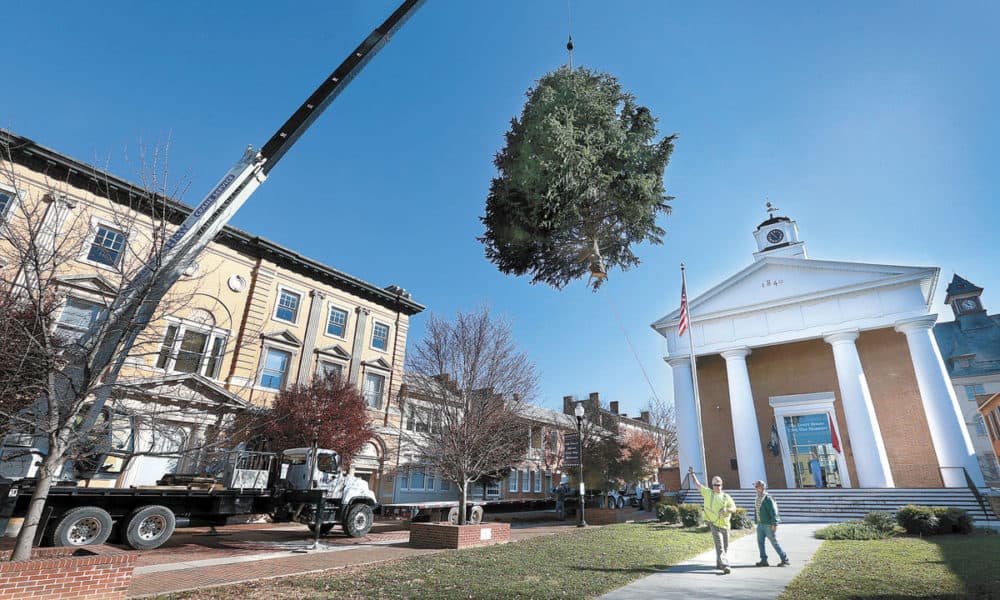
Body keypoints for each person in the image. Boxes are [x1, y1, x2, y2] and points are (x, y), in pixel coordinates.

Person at [689, 467, 736, 574]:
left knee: (725, 547)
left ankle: (719, 563)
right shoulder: (708, 493)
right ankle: (725, 565)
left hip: (725, 526)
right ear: (712, 485)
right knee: (719, 547)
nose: (717, 486)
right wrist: (693, 474)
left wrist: (726, 509)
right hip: (714, 524)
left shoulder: (726, 497)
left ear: (722, 485)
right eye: (715, 484)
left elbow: (734, 508)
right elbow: (698, 485)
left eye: (719, 484)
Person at [753, 480, 789, 567]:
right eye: (756, 486)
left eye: (758, 486)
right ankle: (764, 560)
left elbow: (773, 511)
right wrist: (756, 522)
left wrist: (774, 524)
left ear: (763, 487)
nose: (757, 488)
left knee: (774, 542)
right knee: (760, 542)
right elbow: (757, 511)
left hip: (768, 524)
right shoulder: (757, 498)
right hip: (760, 524)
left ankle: (784, 559)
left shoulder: (768, 498)